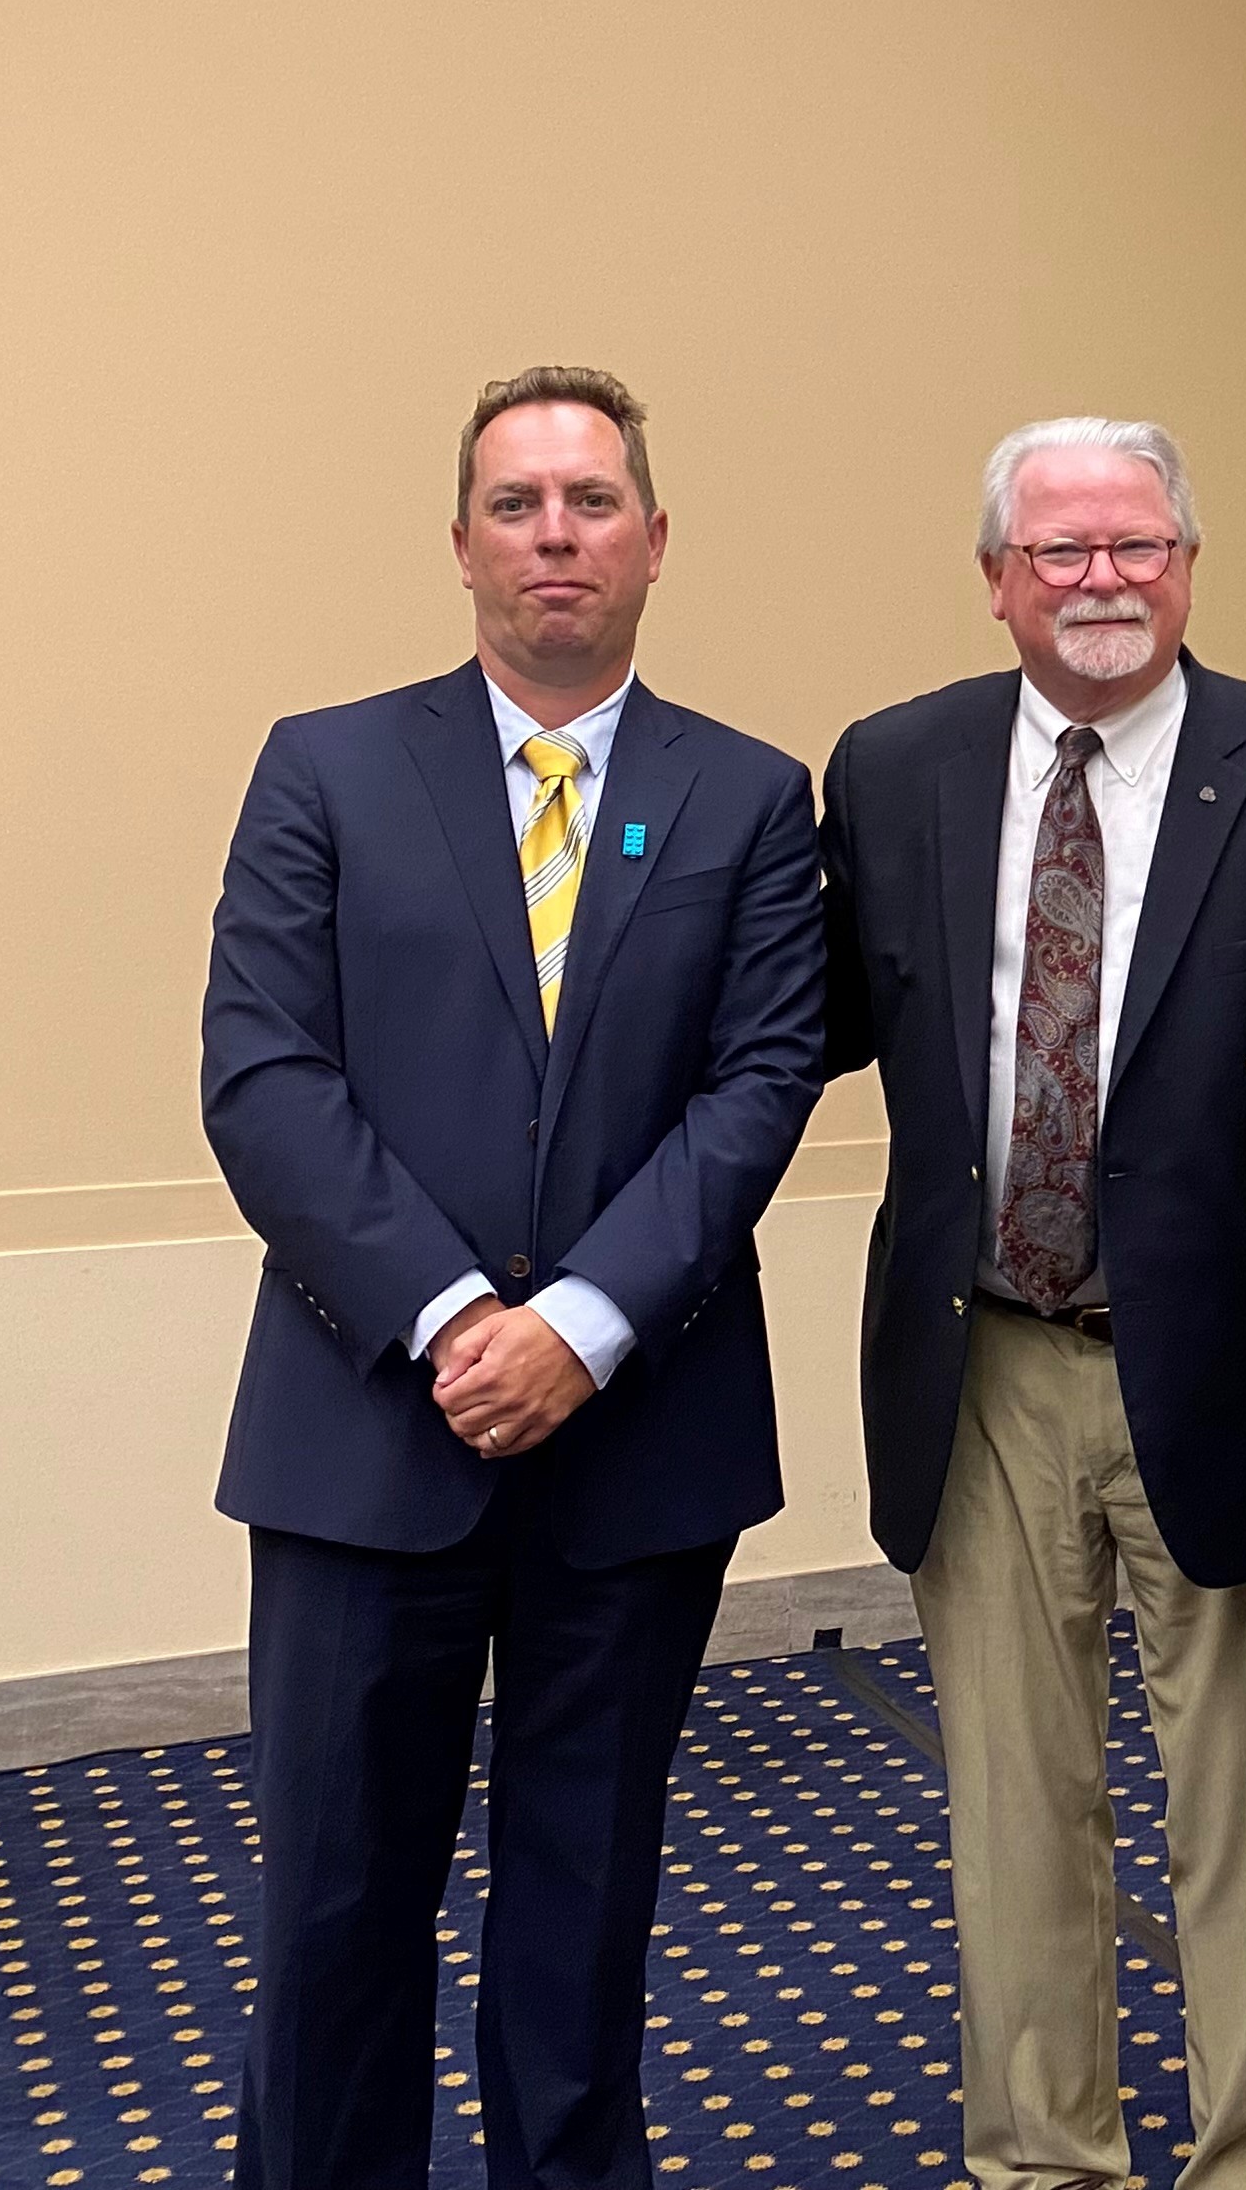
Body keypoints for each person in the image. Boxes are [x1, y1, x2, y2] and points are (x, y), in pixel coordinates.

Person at [818, 414, 1246, 2190]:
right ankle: (1047, 2163)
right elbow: (804, 1027)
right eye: (1061, 555)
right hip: (982, 1366)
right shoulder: (891, 771)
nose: (1102, 584)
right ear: (996, 582)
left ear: (1188, 561)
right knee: (1015, 1814)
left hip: (1229, 1363)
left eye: (1137, 549)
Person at [201, 366, 828, 2190]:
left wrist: (579, 1325)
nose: (556, 536)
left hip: (639, 1444)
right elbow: (263, 1075)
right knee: (332, 1914)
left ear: (653, 539)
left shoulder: (749, 796)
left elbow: (760, 1083)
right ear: (461, 541)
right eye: (516, 504)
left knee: (584, 1914)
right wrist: (459, 1320)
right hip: (365, 1430)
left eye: (591, 503)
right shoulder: (326, 766)